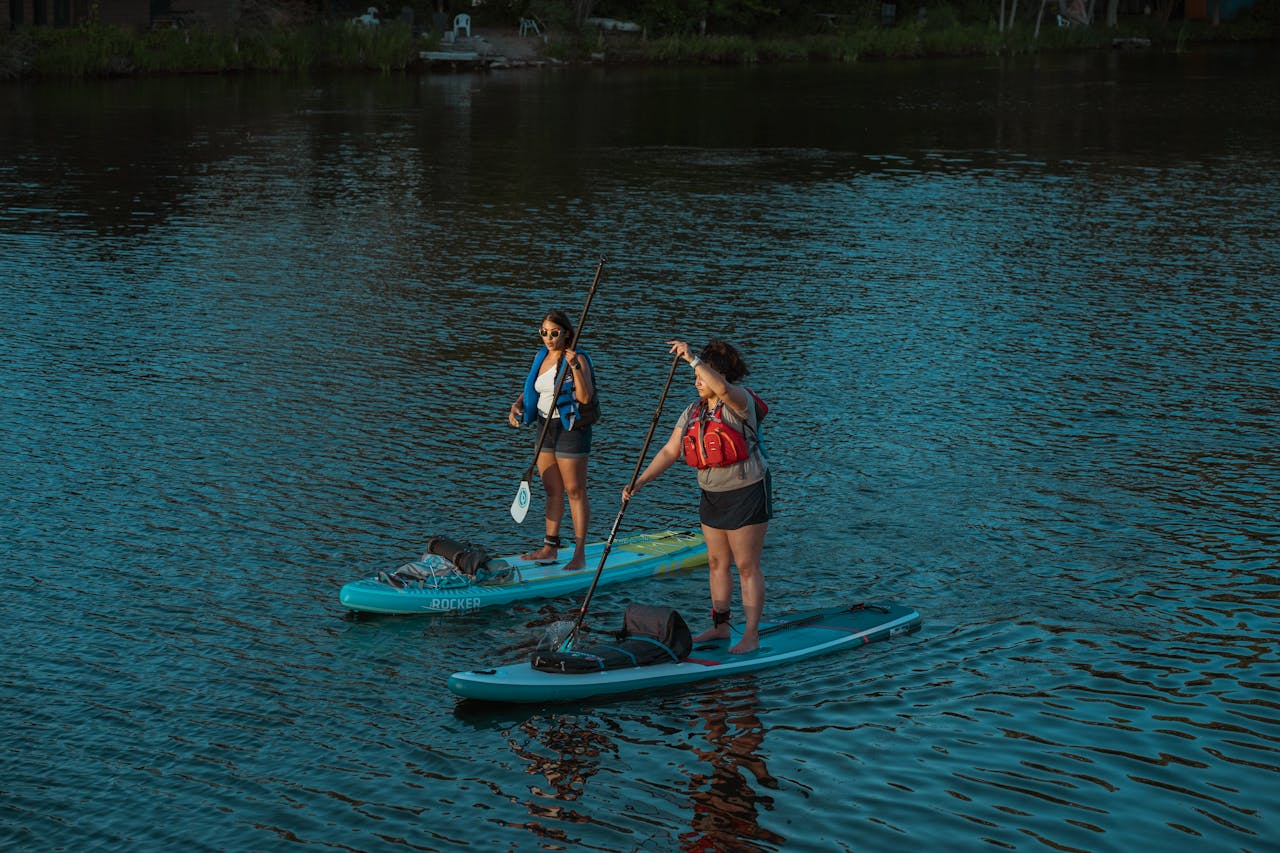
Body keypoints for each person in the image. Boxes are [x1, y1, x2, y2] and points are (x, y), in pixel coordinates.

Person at [623, 339, 770, 654]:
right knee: (717, 563)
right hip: (712, 494)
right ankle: (720, 626)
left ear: (720, 376)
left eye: (703, 375)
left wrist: (693, 359)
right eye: (695, 376)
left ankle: (751, 635)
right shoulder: (692, 411)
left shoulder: (740, 402)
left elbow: (725, 390)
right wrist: (640, 481)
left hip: (746, 493)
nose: (697, 381)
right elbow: (670, 451)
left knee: (746, 565)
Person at [508, 310, 597, 572]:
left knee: (574, 491)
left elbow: (585, 397)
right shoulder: (541, 357)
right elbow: (534, 389)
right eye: (544, 332)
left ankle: (579, 554)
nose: (548, 338)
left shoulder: (577, 357)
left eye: (554, 333)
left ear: (566, 333)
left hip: (570, 427)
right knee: (551, 490)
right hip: (544, 426)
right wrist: (517, 405)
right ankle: (550, 547)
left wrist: (575, 368)